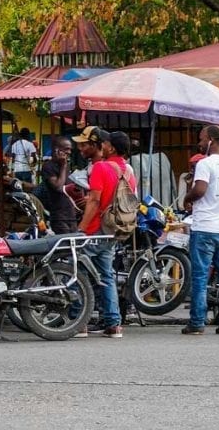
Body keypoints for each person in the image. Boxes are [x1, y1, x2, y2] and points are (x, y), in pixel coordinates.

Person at [77, 130, 136, 339]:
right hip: (114, 230)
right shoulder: (128, 171)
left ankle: (79, 322)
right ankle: (113, 324)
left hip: (96, 228)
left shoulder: (101, 167)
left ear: (110, 147)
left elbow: (94, 201)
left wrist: (81, 228)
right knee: (106, 275)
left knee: (78, 270)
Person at [182, 125, 219, 336]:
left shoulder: (205, 164)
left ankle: (197, 323)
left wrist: (187, 199)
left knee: (199, 276)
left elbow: (200, 190)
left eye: (202, 139)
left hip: (204, 227)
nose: (199, 143)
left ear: (212, 140)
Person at [41, 136, 78, 234]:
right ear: (56, 149)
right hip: (59, 217)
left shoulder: (65, 165)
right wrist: (63, 166)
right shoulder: (48, 166)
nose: (69, 152)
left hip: (71, 215)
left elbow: (69, 188)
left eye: (70, 149)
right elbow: (58, 187)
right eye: (66, 149)